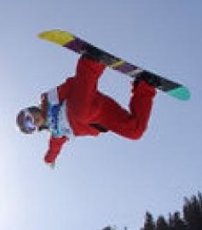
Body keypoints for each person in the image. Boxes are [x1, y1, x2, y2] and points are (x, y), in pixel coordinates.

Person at [16, 50, 159, 167]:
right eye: (31, 127)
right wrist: (49, 160)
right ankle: (145, 86)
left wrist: (89, 68)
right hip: (100, 118)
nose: (33, 122)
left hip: (84, 102)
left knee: (80, 113)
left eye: (29, 118)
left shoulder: (48, 100)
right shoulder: (56, 133)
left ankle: (91, 62)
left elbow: (72, 85)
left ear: (31, 109)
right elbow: (54, 148)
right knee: (135, 132)